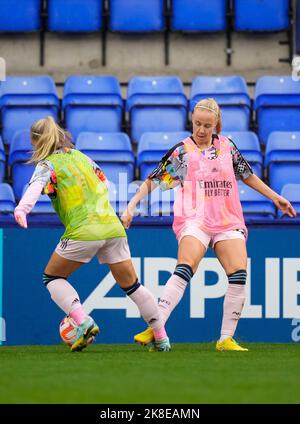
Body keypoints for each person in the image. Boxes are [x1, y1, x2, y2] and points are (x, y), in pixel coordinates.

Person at [121, 98, 296, 352]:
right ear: (191, 121)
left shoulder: (227, 147)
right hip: (195, 220)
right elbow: (153, 181)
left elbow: (247, 175)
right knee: (185, 267)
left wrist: (275, 197)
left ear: (217, 125)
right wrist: (131, 206)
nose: (201, 130)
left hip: (227, 220)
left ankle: (225, 339)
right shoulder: (183, 151)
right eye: (197, 124)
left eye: (207, 125)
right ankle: (156, 327)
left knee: (238, 275)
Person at [14, 116, 171, 352]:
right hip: (112, 226)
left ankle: (83, 321)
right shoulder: (82, 157)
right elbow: (106, 184)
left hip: (83, 229)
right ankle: (161, 337)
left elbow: (34, 188)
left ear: (36, 141)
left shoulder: (46, 164)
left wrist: (21, 209)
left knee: (52, 278)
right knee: (133, 286)